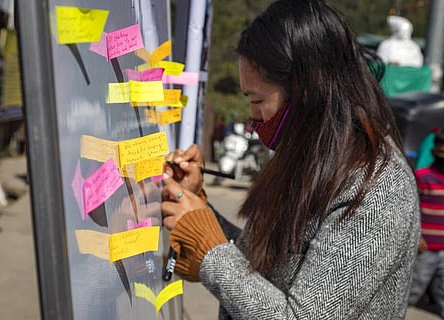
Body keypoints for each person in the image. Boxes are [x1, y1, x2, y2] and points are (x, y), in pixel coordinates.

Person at [161, 1, 420, 318]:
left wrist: (212, 252)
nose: (253, 116)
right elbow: (267, 267)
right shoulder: (311, 157)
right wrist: (198, 211)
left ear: (308, 91)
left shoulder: (377, 187)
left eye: (258, 100)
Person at [408, 132, 444, 317]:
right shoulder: (422, 177)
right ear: (434, 151)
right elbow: (409, 208)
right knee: (413, 287)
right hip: (426, 248)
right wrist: (416, 237)